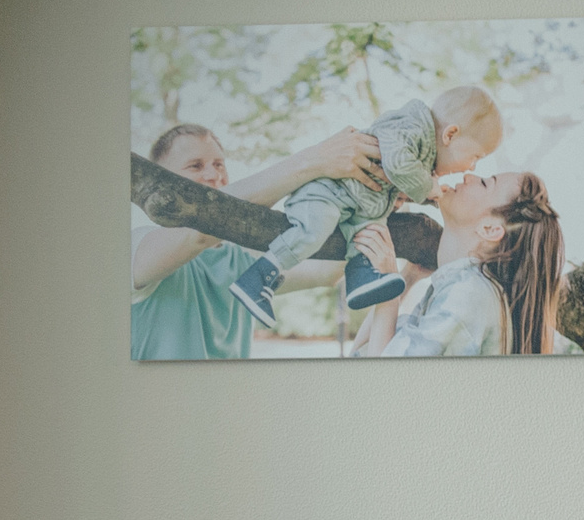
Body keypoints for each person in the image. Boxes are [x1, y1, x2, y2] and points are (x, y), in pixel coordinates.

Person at [228, 85, 502, 323]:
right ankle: (260, 275)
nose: (471, 167)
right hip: (327, 192)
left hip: (354, 205)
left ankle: (362, 279)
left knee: (371, 233)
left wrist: (427, 194)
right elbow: (398, 163)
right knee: (314, 228)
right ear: (450, 134)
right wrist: (426, 186)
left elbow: (402, 180)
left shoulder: (424, 154)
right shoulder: (412, 127)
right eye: (475, 155)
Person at [129, 123, 391, 361]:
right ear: (163, 181)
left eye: (219, 164)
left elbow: (327, 271)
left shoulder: (241, 259)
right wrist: (317, 159)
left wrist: (379, 200)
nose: (214, 175)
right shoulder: (138, 247)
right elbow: (199, 232)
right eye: (195, 165)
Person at [349, 171, 563, 357]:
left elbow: (379, 378)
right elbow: (360, 355)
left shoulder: (469, 295)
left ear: (489, 229)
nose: (469, 177)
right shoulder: (462, 290)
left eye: (485, 183)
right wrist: (408, 277)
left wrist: (390, 288)